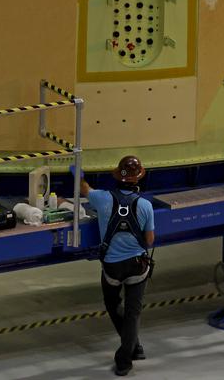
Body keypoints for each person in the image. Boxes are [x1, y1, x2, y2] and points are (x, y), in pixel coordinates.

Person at [81, 156, 156, 377]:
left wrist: (79, 175)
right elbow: (149, 240)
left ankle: (130, 350)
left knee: (113, 304)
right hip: (137, 267)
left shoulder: (102, 199)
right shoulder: (145, 205)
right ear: (138, 178)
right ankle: (127, 356)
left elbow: (84, 189)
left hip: (112, 268)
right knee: (133, 312)